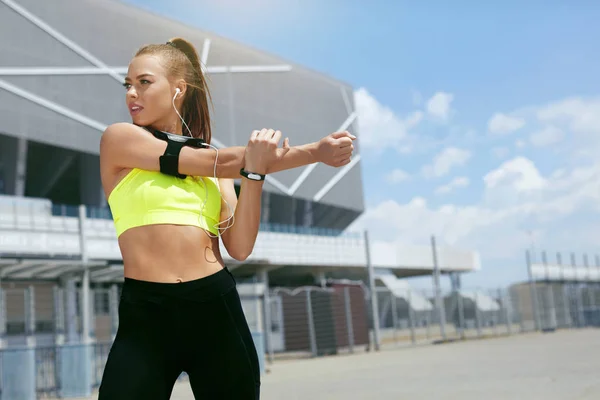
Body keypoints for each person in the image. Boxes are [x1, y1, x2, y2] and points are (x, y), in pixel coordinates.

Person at [97, 37, 356, 400]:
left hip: (214, 305)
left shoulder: (216, 169)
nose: (132, 93)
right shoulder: (120, 139)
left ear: (177, 89)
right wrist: (314, 152)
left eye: (144, 82)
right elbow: (214, 161)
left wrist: (255, 175)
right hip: (146, 313)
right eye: (128, 84)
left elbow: (240, 245)